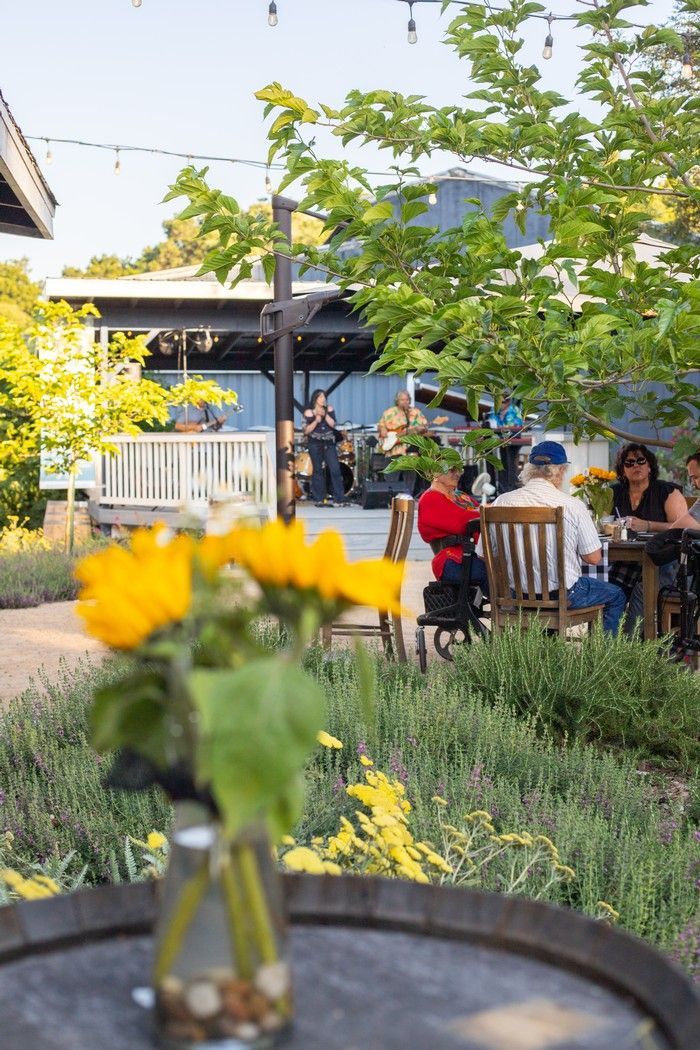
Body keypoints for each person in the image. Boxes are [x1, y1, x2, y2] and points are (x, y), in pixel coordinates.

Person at [477, 440, 626, 633]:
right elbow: (593, 558)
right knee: (616, 595)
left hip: (515, 595)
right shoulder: (572, 505)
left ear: (529, 469)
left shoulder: (500, 502)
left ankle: (540, 648)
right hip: (562, 595)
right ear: (561, 471)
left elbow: (483, 554)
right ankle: (602, 660)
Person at [608, 443, 687, 635]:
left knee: (642, 591)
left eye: (641, 460)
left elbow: (683, 529)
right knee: (610, 589)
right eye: (629, 462)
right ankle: (605, 645)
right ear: (622, 469)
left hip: (665, 560)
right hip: (626, 560)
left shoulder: (667, 491)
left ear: (650, 465)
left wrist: (648, 525)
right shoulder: (614, 492)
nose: (636, 465)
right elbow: (604, 523)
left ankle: (629, 648)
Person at [417, 462, 490, 594]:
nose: (457, 474)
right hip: (455, 560)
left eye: (459, 470)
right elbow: (463, 520)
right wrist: (493, 510)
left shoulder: (460, 495)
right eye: (451, 470)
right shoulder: (430, 498)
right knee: (506, 567)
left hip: (472, 555)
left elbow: (480, 511)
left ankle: (513, 607)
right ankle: (512, 607)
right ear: (435, 473)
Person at [302, 389, 346, 507]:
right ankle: (319, 498)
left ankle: (339, 498)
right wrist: (316, 420)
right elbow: (306, 430)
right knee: (317, 470)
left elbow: (333, 424)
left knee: (335, 469)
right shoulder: (308, 412)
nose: (323, 399)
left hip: (329, 443)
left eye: (324, 397)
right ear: (315, 399)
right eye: (321, 397)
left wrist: (325, 414)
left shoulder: (329, 409)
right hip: (314, 443)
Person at [377, 390, 428, 458]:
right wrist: (382, 429)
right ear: (397, 401)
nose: (405, 402)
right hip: (393, 450)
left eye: (407, 400)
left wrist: (421, 430)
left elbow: (425, 428)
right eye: (402, 400)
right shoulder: (389, 412)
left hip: (412, 450)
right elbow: (381, 425)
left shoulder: (416, 412)